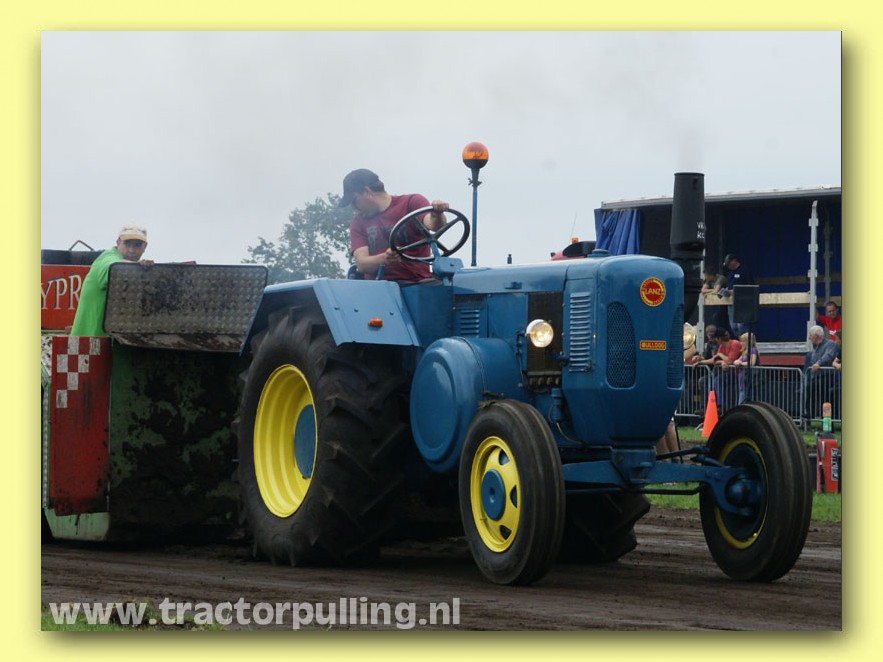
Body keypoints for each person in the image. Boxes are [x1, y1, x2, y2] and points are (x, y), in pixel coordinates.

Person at [340, 168, 450, 282]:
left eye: (354, 201)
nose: (354, 207)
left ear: (367, 192)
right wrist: (385, 258)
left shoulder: (412, 203)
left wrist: (437, 214)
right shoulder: (358, 222)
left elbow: (433, 225)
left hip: (418, 282)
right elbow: (362, 263)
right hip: (379, 287)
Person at [70, 224, 154, 336]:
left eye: (137, 245)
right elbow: (113, 266)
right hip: (90, 340)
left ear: (145, 246)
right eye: (127, 244)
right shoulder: (108, 258)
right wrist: (136, 266)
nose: (131, 250)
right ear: (118, 242)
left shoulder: (133, 271)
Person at [803, 325, 838, 421]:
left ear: (816, 336)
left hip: (827, 378)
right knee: (810, 393)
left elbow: (828, 355)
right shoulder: (815, 348)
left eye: (810, 335)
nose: (809, 338)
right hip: (816, 378)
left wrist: (818, 363)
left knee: (826, 401)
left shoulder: (830, 344)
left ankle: (827, 422)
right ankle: (809, 416)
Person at [721, 253, 753, 336]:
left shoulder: (744, 270)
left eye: (729, 263)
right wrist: (725, 291)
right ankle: (741, 341)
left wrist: (736, 291)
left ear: (734, 261)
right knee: (733, 326)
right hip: (731, 302)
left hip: (742, 301)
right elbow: (729, 285)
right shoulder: (729, 272)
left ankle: (747, 340)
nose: (728, 266)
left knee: (741, 325)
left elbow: (750, 286)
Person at [734, 331, 760, 404]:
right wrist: (736, 362)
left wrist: (741, 363)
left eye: (743, 341)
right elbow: (736, 360)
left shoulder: (752, 350)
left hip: (749, 377)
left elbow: (752, 362)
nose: (741, 343)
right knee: (741, 394)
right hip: (742, 378)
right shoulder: (744, 352)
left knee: (743, 398)